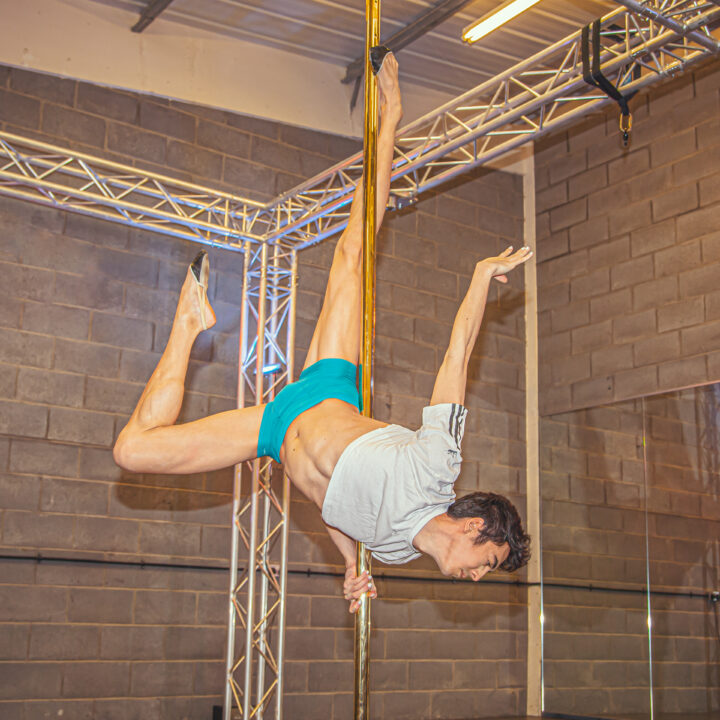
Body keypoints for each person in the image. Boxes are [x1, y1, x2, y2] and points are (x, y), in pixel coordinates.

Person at [114, 54, 531, 613]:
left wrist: (352, 565)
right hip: (327, 392)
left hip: (273, 435)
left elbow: (337, 508)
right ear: (475, 527)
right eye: (490, 562)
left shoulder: (392, 552)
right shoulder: (439, 465)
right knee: (352, 253)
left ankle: (188, 322)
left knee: (132, 452)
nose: (480, 577)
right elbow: (457, 357)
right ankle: (391, 119)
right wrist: (481, 279)